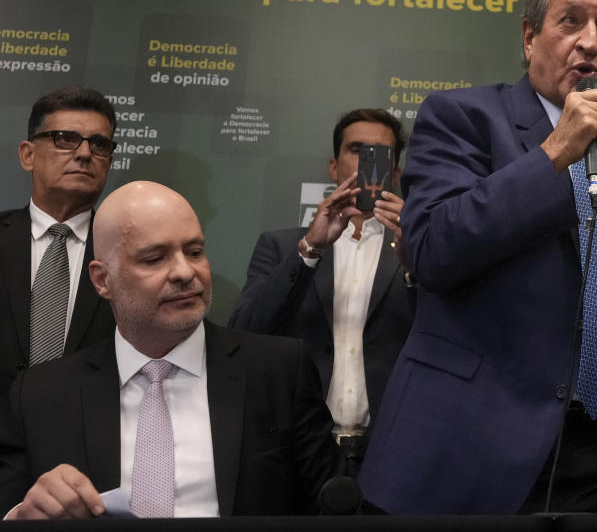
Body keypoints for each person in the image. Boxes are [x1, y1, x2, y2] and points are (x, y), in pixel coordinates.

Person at [358, 0, 597, 514]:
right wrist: (554, 155)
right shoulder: (461, 117)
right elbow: (433, 251)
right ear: (528, 36)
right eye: (571, 21)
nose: (592, 41)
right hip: (479, 444)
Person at [0, 181, 343, 518]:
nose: (184, 271)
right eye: (154, 259)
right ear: (103, 280)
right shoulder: (41, 395)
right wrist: (25, 515)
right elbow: (10, 507)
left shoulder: (279, 371)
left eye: (194, 252)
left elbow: (331, 506)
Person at [229, 108, 413, 476]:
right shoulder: (282, 247)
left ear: (394, 173)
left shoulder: (417, 248)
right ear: (334, 166)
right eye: (356, 150)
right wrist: (309, 249)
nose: (366, 162)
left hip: (395, 449)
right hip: (300, 449)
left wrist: (417, 261)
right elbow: (245, 332)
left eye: (379, 154)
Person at [0, 86, 118, 399]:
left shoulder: (129, 251)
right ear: (28, 154)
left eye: (99, 144)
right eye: (65, 138)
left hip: (87, 438)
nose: (84, 153)